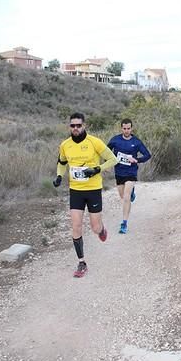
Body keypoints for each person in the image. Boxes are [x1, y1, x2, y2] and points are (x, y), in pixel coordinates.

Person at [53, 112, 117, 278]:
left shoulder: (94, 142)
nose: (75, 128)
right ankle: (82, 262)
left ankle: (101, 229)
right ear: (69, 127)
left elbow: (112, 159)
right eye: (72, 125)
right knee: (76, 226)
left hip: (93, 189)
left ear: (84, 126)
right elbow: (61, 163)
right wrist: (59, 176)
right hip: (76, 191)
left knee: (95, 228)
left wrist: (98, 169)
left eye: (78, 125)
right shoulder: (65, 145)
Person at [107, 118, 151, 234]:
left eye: (128, 128)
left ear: (132, 128)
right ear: (121, 128)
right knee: (123, 197)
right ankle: (131, 192)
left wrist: (136, 160)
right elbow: (106, 151)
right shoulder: (115, 140)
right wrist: (110, 159)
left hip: (131, 172)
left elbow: (147, 155)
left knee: (126, 198)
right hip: (119, 172)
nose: (126, 131)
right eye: (124, 128)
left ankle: (124, 223)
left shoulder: (136, 142)